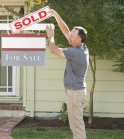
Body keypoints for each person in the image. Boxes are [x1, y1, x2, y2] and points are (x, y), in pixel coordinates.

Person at [45, 9, 89, 139]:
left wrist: (51, 36)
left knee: (77, 127)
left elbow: (53, 50)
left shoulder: (76, 52)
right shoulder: (81, 47)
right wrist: (56, 15)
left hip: (75, 94)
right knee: (76, 126)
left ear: (79, 39)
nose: (69, 37)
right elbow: (65, 31)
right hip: (75, 93)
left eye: (72, 36)